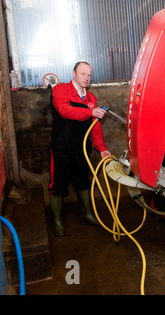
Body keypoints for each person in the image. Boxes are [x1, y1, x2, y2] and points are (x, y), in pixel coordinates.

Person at [48, 61, 111, 236]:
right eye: (83, 74)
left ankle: (87, 214)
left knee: (83, 179)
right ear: (74, 73)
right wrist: (90, 112)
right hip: (61, 146)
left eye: (89, 75)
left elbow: (95, 126)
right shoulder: (60, 90)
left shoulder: (91, 98)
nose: (86, 78)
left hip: (82, 148)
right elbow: (64, 111)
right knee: (58, 182)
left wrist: (101, 148)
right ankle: (57, 220)